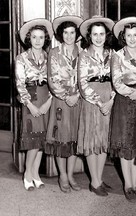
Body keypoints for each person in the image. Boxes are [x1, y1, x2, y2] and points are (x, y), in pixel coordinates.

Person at [110, 17, 136, 202]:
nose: (132, 39)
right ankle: (128, 184)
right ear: (123, 37)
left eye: (135, 35)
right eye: (128, 35)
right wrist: (132, 93)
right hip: (125, 102)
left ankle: (135, 182)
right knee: (125, 144)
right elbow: (117, 82)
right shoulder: (117, 56)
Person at [77, 16, 115, 197]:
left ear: (105, 35)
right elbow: (82, 84)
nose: (98, 38)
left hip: (109, 97)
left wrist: (111, 100)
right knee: (92, 141)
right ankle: (94, 181)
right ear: (89, 36)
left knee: (103, 140)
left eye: (101, 34)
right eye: (95, 34)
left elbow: (118, 79)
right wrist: (100, 102)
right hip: (92, 101)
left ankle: (98, 178)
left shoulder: (113, 54)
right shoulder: (83, 55)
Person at [45, 15, 83, 193]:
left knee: (74, 136)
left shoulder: (82, 52)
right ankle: (62, 175)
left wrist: (77, 95)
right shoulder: (54, 52)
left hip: (79, 100)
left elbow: (86, 79)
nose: (69, 36)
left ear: (77, 34)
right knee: (61, 138)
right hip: (61, 101)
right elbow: (52, 80)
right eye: (66, 33)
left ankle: (71, 174)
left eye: (72, 32)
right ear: (61, 34)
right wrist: (67, 96)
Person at [15, 18, 53, 191]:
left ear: (46, 39)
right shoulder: (21, 58)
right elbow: (20, 84)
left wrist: (49, 101)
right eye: (35, 37)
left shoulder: (50, 57)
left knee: (42, 140)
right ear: (29, 39)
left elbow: (55, 81)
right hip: (30, 99)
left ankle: (36, 174)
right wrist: (29, 105)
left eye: (41, 37)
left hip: (46, 98)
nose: (38, 41)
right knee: (33, 141)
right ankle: (27, 174)